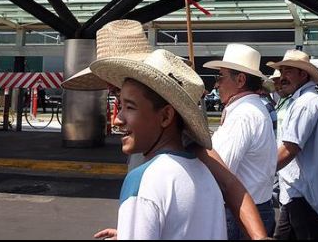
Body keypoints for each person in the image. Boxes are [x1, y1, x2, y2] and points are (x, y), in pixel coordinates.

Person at [62, 20, 267, 240]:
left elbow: (229, 183)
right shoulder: (154, 138)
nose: (119, 114)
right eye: (113, 90)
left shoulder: (179, 137)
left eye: (120, 85)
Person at [89, 48, 227, 239]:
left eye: (130, 107)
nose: (118, 119)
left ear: (165, 116)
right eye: (120, 106)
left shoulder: (143, 181)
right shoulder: (204, 175)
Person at [204, 44, 278, 239]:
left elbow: (219, 171)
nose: (216, 84)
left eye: (220, 77)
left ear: (240, 80)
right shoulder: (252, 109)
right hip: (255, 208)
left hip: (239, 215)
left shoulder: (243, 115)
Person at [268, 50, 318, 240]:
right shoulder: (303, 100)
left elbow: (289, 148)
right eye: (282, 71)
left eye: (288, 71)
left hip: (302, 191)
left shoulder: (305, 103)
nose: (282, 77)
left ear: (303, 74)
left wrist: (263, 172)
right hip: (297, 189)